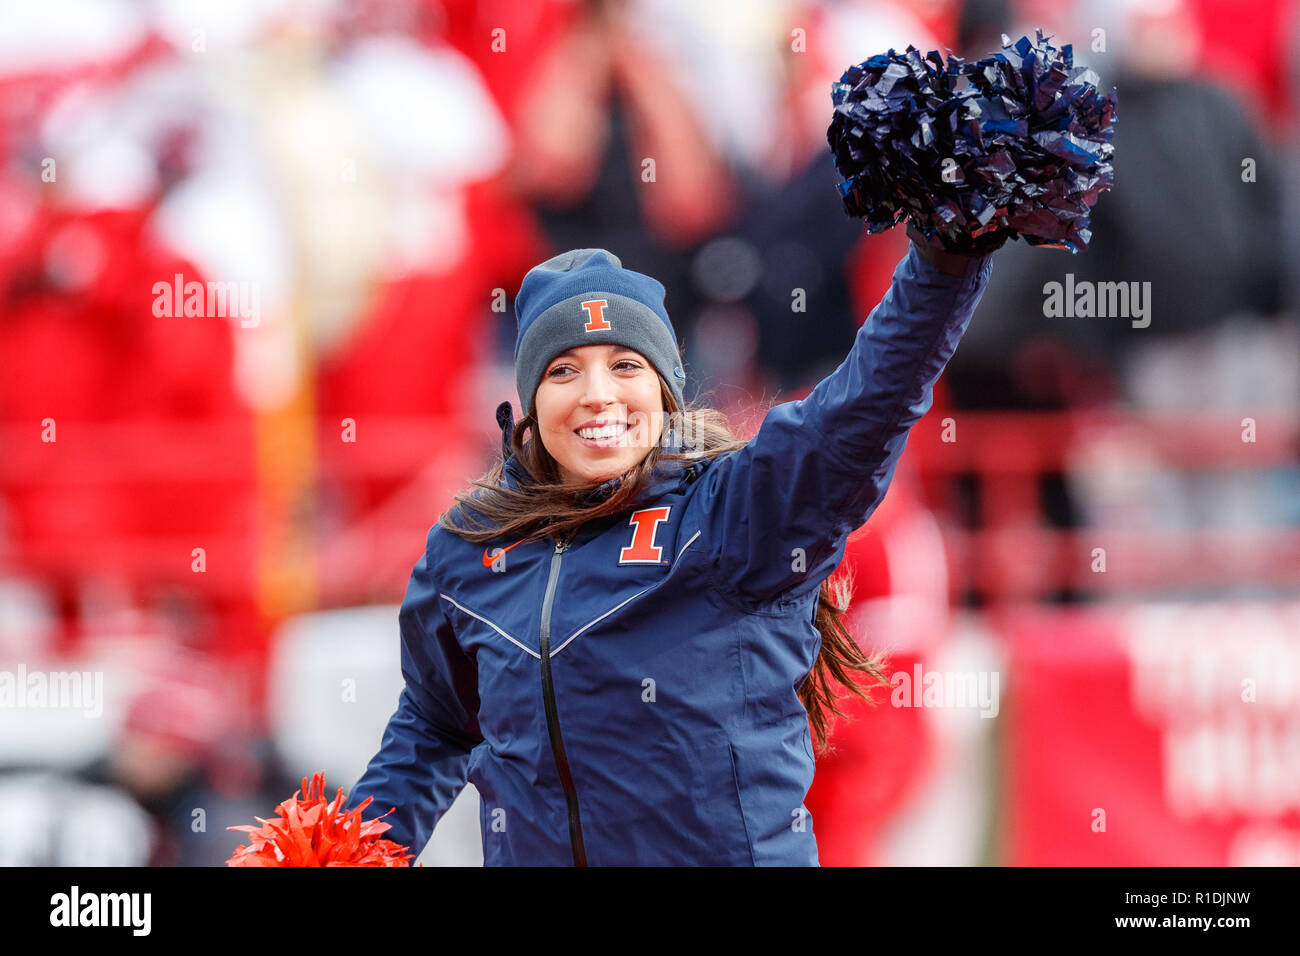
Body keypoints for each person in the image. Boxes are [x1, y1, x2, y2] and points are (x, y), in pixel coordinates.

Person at [349, 234, 996, 865]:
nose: (597, 393)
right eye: (563, 369)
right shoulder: (473, 546)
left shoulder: (735, 512)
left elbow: (868, 404)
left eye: (625, 364)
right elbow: (435, 724)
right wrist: (350, 850)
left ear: (665, 388)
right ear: (530, 403)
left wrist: (945, 263)